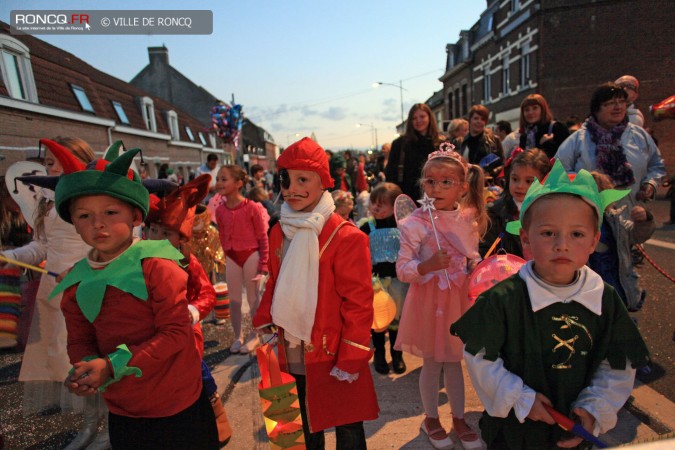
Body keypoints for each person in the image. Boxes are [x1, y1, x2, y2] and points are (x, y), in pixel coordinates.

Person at [451, 160, 651, 449]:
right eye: (548, 233)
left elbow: (618, 364)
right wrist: (521, 398)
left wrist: (594, 410)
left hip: (575, 432)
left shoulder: (603, 298)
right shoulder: (502, 298)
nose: (562, 245)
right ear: (525, 237)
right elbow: (480, 357)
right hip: (514, 434)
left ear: (594, 241)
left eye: (577, 234)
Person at [51, 145, 218, 448]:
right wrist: (86, 367)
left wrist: (112, 365)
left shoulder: (157, 265)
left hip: (176, 403)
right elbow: (80, 339)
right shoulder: (77, 281)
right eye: (85, 215)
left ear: (136, 216)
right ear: (73, 222)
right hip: (124, 408)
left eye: (110, 212)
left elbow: (176, 332)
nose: (97, 223)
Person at [252, 137, 378, 449]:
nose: (291, 189)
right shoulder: (278, 230)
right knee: (303, 427)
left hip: (333, 350)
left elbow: (359, 304)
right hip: (292, 346)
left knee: (348, 426)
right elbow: (277, 280)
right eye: (286, 180)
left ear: (323, 182)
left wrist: (352, 355)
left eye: (302, 180)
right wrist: (265, 318)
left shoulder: (347, 237)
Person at [0, 138, 100, 448]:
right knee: (65, 358)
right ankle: (90, 423)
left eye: (55, 160)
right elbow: (42, 246)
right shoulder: (47, 200)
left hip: (86, 285)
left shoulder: (90, 198)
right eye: (47, 162)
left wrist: (88, 271)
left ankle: (109, 424)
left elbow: (105, 242)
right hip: (54, 289)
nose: (49, 166)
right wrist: (10, 256)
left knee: (91, 354)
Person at [395, 144, 486, 450]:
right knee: (433, 363)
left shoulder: (469, 219)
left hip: (458, 301)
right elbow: (403, 270)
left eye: (446, 182)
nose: (436, 188)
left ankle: (459, 419)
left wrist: (475, 268)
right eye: (431, 181)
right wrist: (427, 265)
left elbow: (472, 256)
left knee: (455, 362)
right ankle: (431, 418)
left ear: (462, 187)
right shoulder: (416, 223)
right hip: (429, 302)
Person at [144, 174, 233, 446]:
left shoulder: (186, 261)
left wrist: (192, 312)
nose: (158, 238)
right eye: (153, 230)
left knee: (197, 371)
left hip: (184, 330)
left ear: (180, 237)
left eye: (166, 233)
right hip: (151, 331)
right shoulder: (138, 258)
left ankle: (215, 410)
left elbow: (206, 293)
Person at [556, 82, 665, 206]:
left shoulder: (639, 135)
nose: (618, 107)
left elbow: (656, 165)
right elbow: (558, 172)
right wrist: (586, 183)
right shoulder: (578, 140)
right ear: (596, 109)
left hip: (633, 213)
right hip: (591, 212)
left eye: (622, 102)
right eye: (610, 103)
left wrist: (650, 184)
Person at [214, 165, 269, 354]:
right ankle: (238, 335)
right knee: (234, 300)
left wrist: (263, 263)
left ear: (238, 183)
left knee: (253, 298)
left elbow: (262, 236)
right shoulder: (220, 211)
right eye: (218, 179)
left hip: (251, 255)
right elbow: (222, 234)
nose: (219, 183)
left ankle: (255, 334)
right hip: (232, 257)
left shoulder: (252, 207)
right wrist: (226, 253)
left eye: (224, 179)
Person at [588, 171, 655, 312]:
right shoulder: (573, 224)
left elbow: (636, 235)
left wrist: (644, 219)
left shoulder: (615, 221)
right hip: (589, 287)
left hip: (615, 285)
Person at [359, 182, 407, 375]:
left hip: (398, 281)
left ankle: (397, 354)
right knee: (378, 318)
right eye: (373, 203)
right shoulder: (366, 227)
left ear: (395, 206)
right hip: (375, 282)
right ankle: (379, 353)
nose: (376, 208)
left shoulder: (403, 226)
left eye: (382, 204)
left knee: (397, 317)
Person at [480, 148, 551, 259]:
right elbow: (485, 252)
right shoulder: (493, 212)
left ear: (544, 182)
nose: (520, 186)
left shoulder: (552, 213)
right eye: (515, 179)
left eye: (529, 181)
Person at [385, 103, 444, 199]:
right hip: (407, 197)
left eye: (422, 117)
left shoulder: (440, 143)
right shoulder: (400, 144)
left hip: (436, 196)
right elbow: (391, 173)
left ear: (429, 117)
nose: (418, 121)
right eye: (414, 118)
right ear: (410, 121)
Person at [518, 94, 570, 158]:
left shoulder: (557, 128)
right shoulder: (524, 135)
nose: (530, 112)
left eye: (535, 108)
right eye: (527, 110)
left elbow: (566, 156)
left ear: (543, 109)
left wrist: (547, 144)